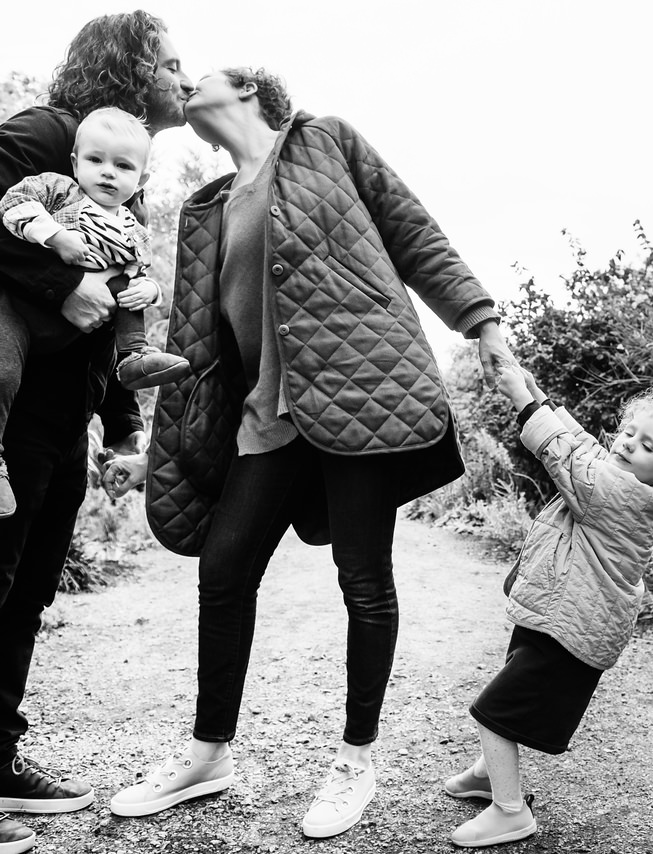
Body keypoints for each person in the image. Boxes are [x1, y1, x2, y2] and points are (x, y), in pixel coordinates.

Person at [98, 67, 513, 838]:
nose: (184, 83)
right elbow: (199, 336)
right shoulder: (206, 205)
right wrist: (162, 429)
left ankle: (356, 759)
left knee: (362, 580)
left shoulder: (324, 141)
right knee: (223, 573)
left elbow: (410, 229)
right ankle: (207, 752)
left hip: (357, 396)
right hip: (264, 418)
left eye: (202, 76)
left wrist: (481, 322)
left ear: (250, 90)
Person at [0, 12, 193, 854]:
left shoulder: (120, 172)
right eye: (172, 63)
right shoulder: (50, 135)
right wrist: (58, 283)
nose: (182, 78)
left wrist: (112, 422)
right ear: (132, 70)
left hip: (61, 419)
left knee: (24, 595)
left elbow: (109, 309)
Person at [442, 367, 653, 848]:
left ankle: (510, 812)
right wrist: (536, 391)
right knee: (512, 698)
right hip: (558, 614)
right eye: (629, 432)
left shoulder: (623, 495)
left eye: (646, 446)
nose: (628, 443)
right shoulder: (618, 475)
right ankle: (492, 774)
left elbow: (564, 456)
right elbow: (582, 444)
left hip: (572, 630)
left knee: (495, 709)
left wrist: (524, 404)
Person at [0, 107, 188, 520]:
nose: (107, 173)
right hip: (15, 309)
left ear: (140, 180)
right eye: (95, 160)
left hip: (67, 340)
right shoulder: (56, 188)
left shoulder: (132, 228)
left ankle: (135, 357)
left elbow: (137, 273)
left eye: (122, 166)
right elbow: (12, 205)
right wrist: (54, 235)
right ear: (75, 163)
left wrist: (150, 289)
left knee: (128, 288)